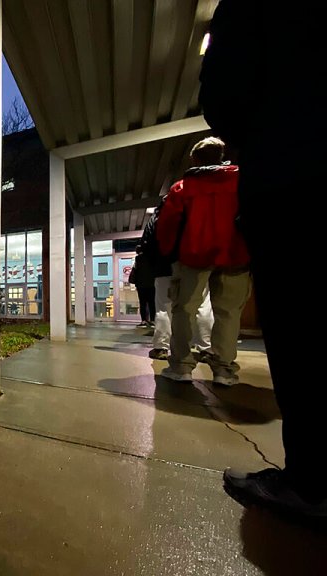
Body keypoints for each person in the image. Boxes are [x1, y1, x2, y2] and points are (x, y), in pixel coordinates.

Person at [198, 0, 325, 518]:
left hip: (292, 182)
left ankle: (314, 482)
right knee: (227, 313)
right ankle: (223, 366)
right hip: (241, 244)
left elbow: (225, 90)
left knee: (301, 333)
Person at [156, 136, 251, 386]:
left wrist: (169, 254)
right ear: (222, 156)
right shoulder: (242, 181)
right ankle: (224, 369)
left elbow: (168, 226)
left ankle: (182, 366)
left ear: (195, 159)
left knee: (184, 309)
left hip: (193, 255)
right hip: (235, 255)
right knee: (228, 312)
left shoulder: (183, 188)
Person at [139, 194, 214, 361]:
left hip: (164, 268)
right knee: (202, 305)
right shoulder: (197, 211)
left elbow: (146, 243)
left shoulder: (158, 216)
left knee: (164, 308)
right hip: (195, 265)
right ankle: (206, 348)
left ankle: (161, 348)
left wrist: (155, 263)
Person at [128, 245, 155, 327]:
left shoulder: (138, 259)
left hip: (141, 285)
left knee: (142, 303)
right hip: (151, 284)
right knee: (151, 303)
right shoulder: (151, 258)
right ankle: (153, 320)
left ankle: (143, 320)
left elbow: (136, 270)